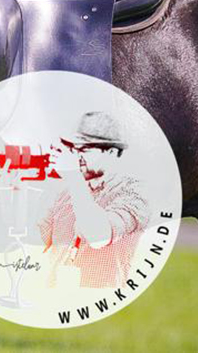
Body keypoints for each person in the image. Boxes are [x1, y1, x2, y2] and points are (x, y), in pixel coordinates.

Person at [40, 111, 149, 289]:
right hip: (54, 300)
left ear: (113, 152)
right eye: (75, 148)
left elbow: (98, 235)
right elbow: (38, 237)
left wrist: (73, 178)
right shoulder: (66, 190)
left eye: (86, 149)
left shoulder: (135, 193)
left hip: (101, 304)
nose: (78, 156)